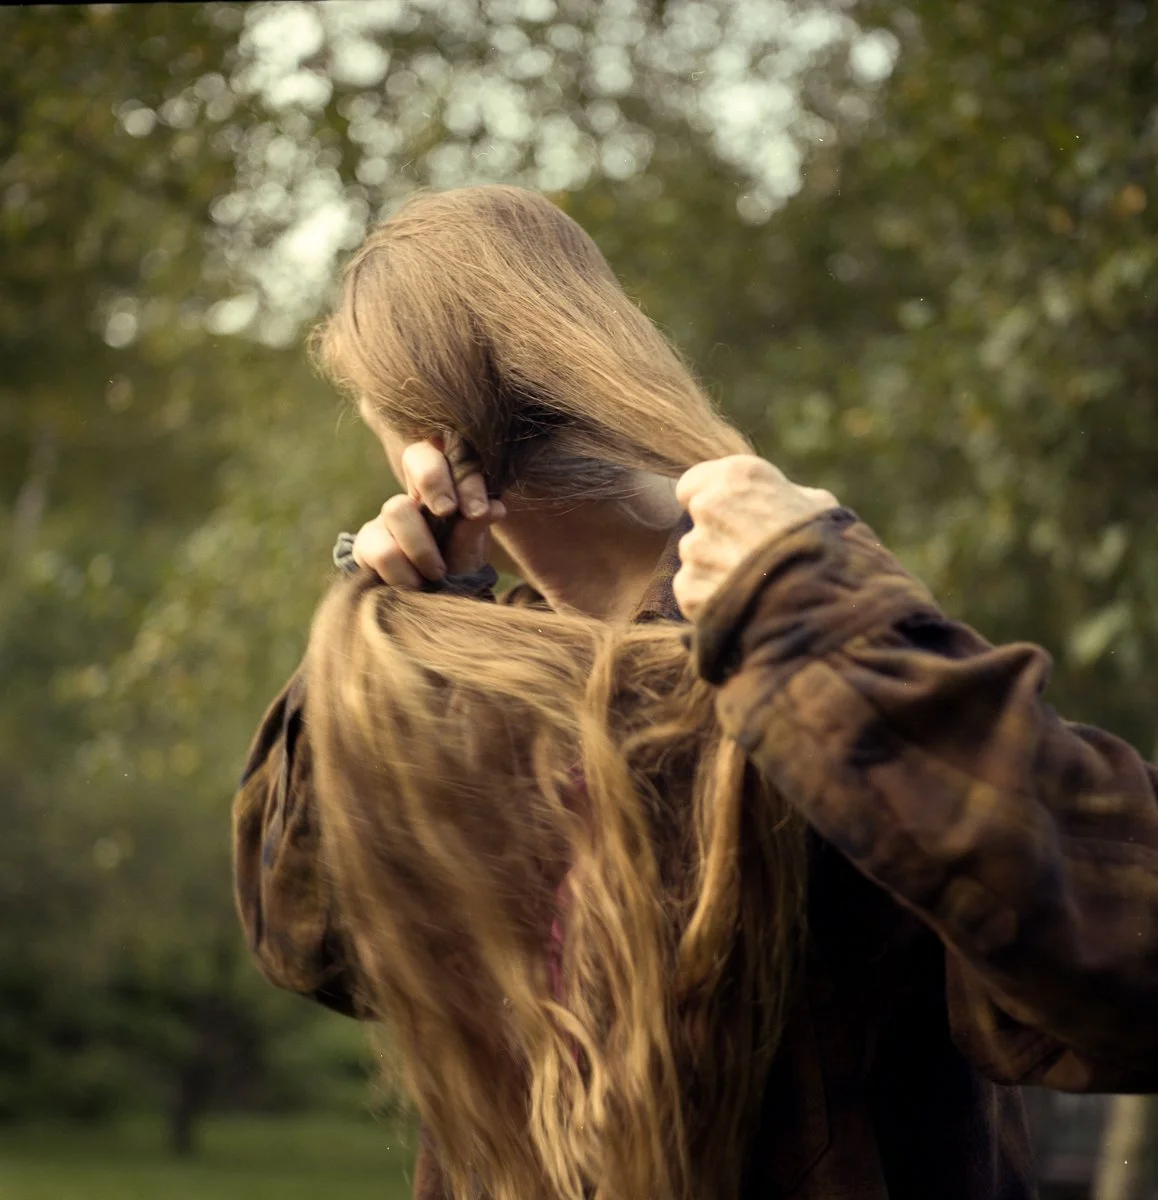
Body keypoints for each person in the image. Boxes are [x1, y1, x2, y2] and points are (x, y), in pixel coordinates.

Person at [232, 185, 1158, 1200]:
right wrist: (391, 652)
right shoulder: (481, 701)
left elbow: (1128, 966)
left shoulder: (801, 645)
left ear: (422, 441)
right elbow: (311, 942)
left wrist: (820, 618)